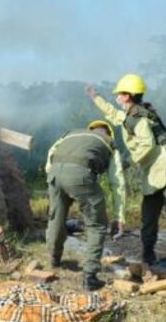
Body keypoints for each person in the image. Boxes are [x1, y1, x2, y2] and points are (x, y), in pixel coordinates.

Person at [87, 75, 166, 275]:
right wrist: (96, 98)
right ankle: (148, 254)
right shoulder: (130, 115)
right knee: (149, 211)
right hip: (154, 166)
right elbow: (112, 114)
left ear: (128, 96)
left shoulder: (139, 118)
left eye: (119, 94)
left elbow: (147, 145)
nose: (117, 97)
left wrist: (127, 162)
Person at [45, 120, 127, 290]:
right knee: (97, 225)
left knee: (56, 218)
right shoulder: (109, 142)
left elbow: (51, 153)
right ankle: (90, 276)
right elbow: (117, 182)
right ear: (108, 133)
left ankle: (54, 260)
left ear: (91, 129)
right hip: (81, 176)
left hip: (54, 174)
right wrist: (119, 216)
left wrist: (55, 176)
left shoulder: (71, 133)